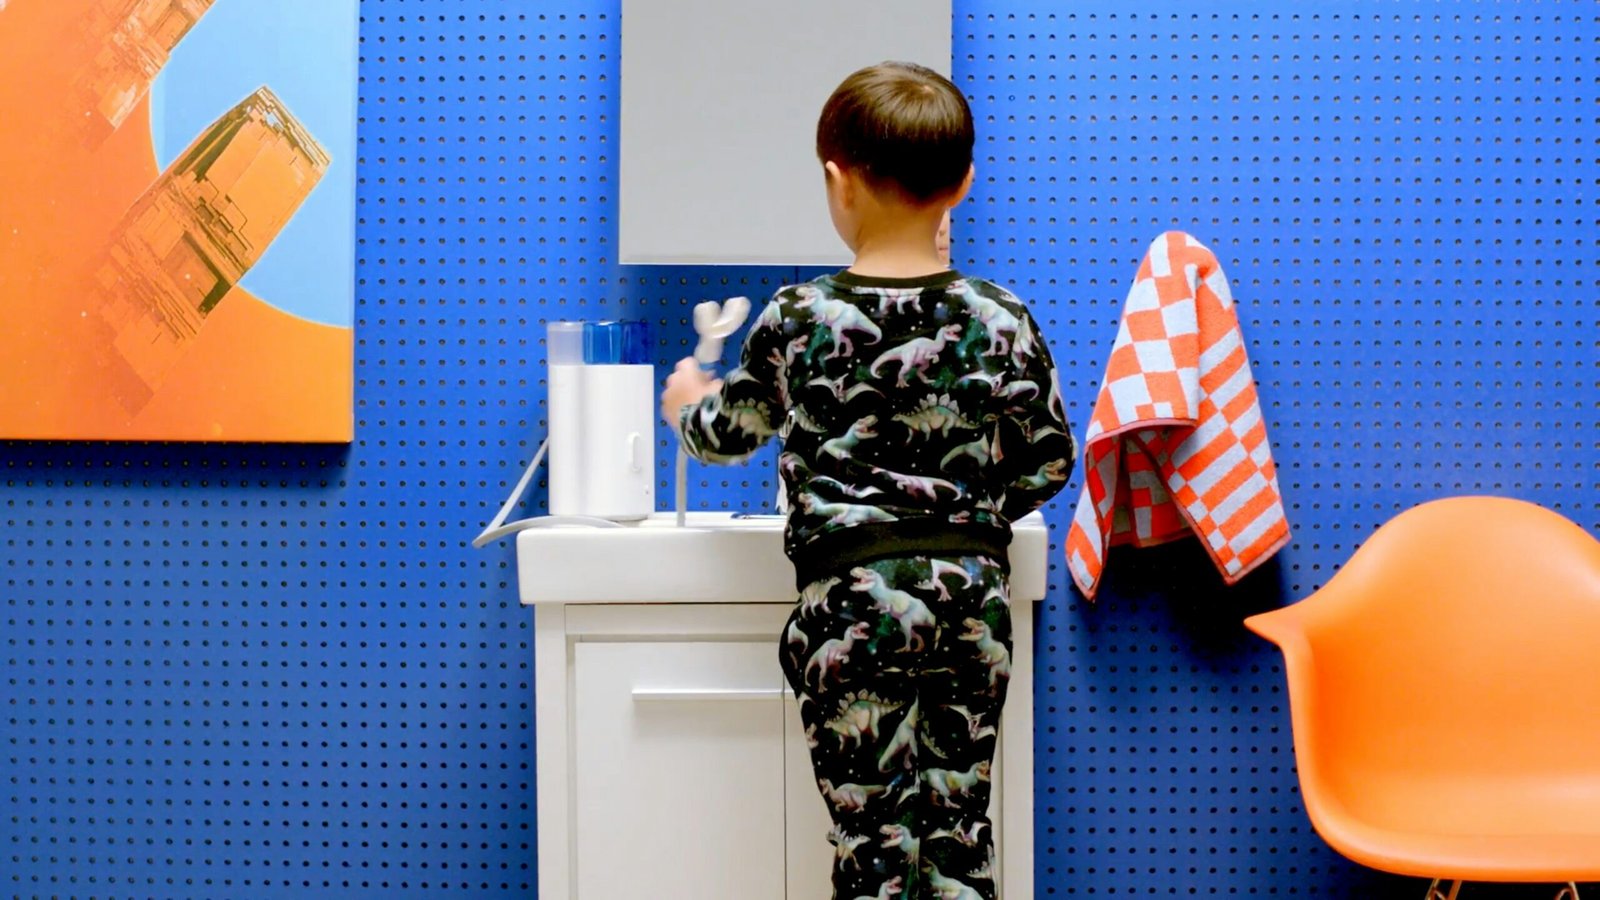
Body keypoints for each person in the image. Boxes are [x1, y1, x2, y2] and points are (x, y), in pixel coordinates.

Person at [661, 61, 1075, 900]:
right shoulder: (1002, 315)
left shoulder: (798, 317)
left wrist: (685, 403)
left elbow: (725, 437)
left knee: (872, 847)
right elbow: (1049, 458)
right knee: (958, 839)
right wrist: (971, 511)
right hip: (971, 606)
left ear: (835, 182)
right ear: (962, 183)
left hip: (851, 602)